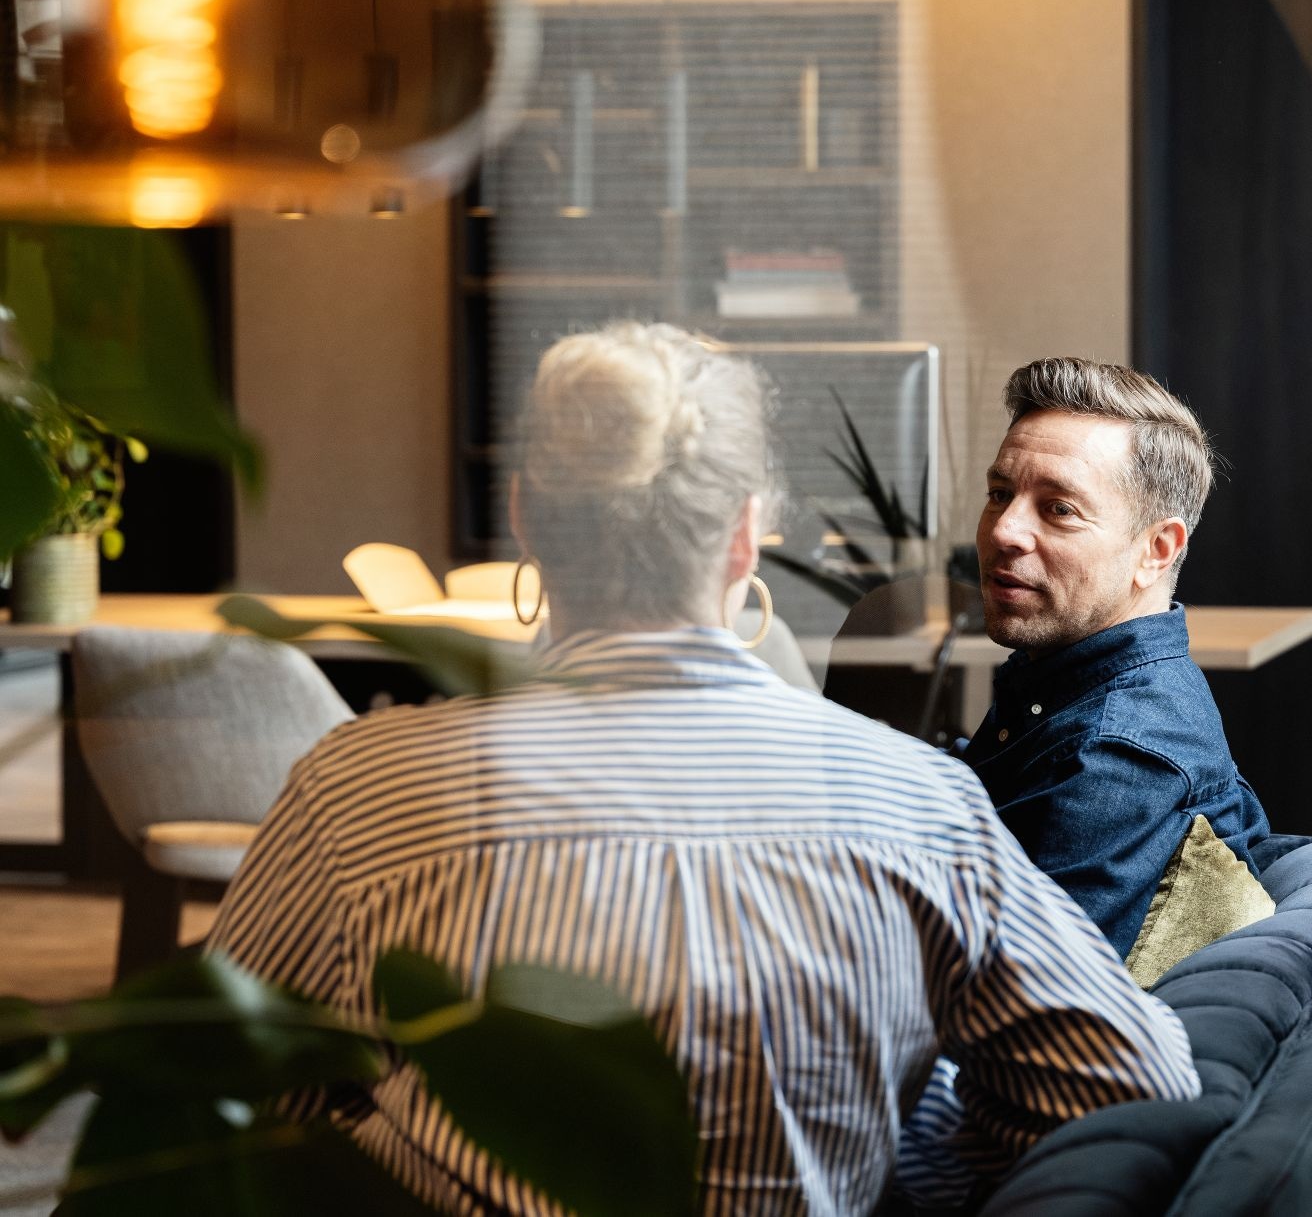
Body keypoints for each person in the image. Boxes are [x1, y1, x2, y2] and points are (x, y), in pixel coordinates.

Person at [207, 324, 1198, 1214]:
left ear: (525, 519)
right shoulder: (917, 802)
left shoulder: (357, 789)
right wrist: (895, 1149)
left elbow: (208, 1103)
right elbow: (1132, 1082)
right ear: (742, 535)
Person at [957, 357, 1271, 957]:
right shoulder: (1057, 684)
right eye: (1000, 494)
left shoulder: (1111, 753)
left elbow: (1020, 1001)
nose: (1004, 531)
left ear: (1156, 550)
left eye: (1059, 509)